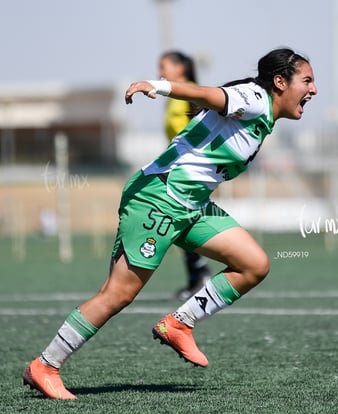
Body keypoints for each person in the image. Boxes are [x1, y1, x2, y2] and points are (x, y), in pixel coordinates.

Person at [23, 47, 317, 400]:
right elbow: (208, 94)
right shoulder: (254, 98)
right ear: (280, 82)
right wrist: (158, 86)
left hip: (191, 205)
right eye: (307, 81)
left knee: (253, 264)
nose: (313, 90)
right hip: (158, 198)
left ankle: (179, 323)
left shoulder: (263, 115)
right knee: (118, 294)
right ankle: (45, 365)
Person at [158, 50, 213, 300]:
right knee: (181, 221)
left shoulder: (190, 91)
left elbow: (205, 126)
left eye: (164, 67)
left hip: (191, 168)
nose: (160, 72)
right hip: (178, 168)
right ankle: (198, 276)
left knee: (181, 220)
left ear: (180, 68)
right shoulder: (174, 95)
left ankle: (201, 274)